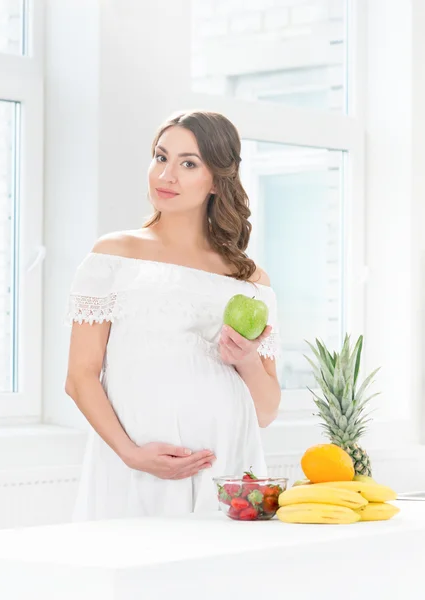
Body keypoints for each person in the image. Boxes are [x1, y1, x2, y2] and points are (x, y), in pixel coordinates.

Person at [65, 110, 282, 521]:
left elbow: (267, 411)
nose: (167, 175)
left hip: (227, 465)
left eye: (188, 163)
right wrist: (133, 455)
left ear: (218, 179)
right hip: (139, 466)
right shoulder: (114, 255)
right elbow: (79, 377)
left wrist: (247, 359)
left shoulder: (249, 279)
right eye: (161, 157)